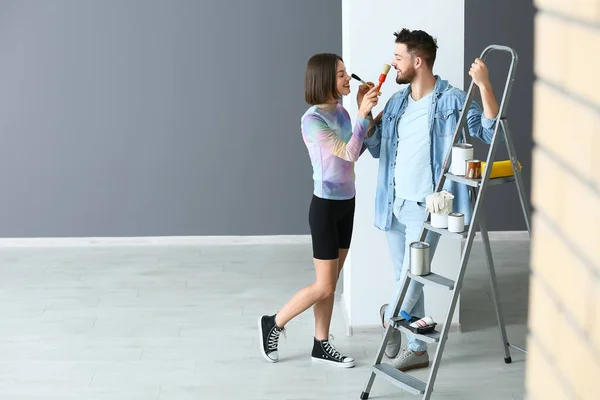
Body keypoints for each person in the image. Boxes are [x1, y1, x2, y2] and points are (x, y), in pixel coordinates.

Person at [363, 28, 500, 372]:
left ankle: (388, 316)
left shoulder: (452, 99)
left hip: (431, 207)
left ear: (417, 61)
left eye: (398, 58)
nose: (392, 64)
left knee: (411, 276)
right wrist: (364, 113)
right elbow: (377, 149)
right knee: (410, 279)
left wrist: (483, 85)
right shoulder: (395, 102)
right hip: (394, 202)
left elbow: (489, 131)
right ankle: (416, 347)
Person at [258, 53, 380, 368]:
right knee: (324, 285)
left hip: (347, 203)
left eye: (346, 72)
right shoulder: (312, 120)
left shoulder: (340, 111)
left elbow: (360, 147)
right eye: (341, 73)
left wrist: (371, 115)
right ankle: (274, 322)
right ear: (325, 79)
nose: (347, 77)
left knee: (331, 282)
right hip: (325, 207)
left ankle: (321, 343)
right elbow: (349, 153)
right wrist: (364, 114)